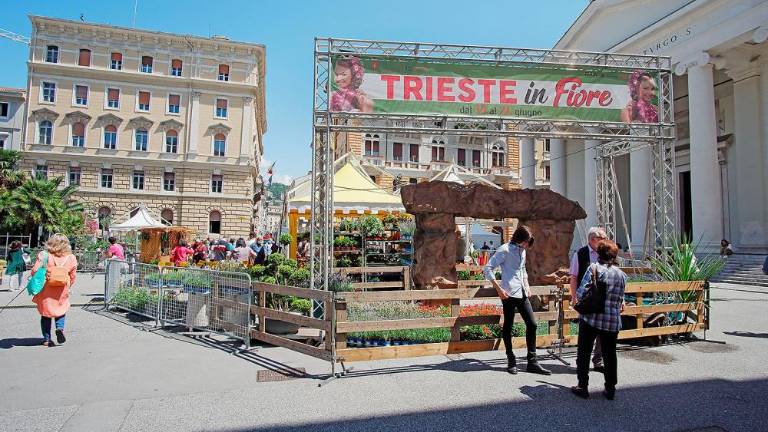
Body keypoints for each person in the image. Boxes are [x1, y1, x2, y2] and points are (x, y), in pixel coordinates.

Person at [484, 225, 551, 375]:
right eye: (526, 242)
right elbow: (487, 268)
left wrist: (527, 286)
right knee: (509, 325)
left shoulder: (523, 251)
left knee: (532, 324)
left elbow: (522, 269)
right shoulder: (504, 249)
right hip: (508, 293)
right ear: (520, 238)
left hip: (521, 292)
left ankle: (532, 361)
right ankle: (511, 359)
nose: (527, 245)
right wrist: (498, 289)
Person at [571, 240, 627, 400]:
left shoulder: (594, 268)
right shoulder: (621, 275)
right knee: (610, 355)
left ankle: (583, 386)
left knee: (584, 351)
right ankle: (610, 388)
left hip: (592, 318)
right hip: (612, 320)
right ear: (614, 255)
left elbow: (582, 292)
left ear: (599, 253)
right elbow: (620, 298)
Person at [569, 226, 608, 373]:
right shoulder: (580, 254)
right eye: (603, 238)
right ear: (593, 239)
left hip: (603, 298)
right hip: (586, 300)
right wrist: (574, 298)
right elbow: (573, 277)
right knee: (586, 332)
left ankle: (598, 360)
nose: (606, 240)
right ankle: (582, 361)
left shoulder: (606, 253)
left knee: (602, 331)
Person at [31, 234, 78, 347]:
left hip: (46, 288)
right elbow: (73, 276)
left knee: (46, 313)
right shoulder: (71, 258)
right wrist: (68, 285)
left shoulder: (44, 255)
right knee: (61, 310)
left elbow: (35, 271)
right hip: (62, 289)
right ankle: (60, 328)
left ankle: (47, 339)